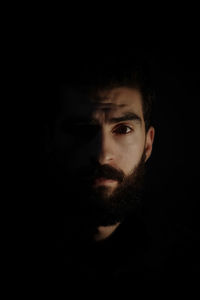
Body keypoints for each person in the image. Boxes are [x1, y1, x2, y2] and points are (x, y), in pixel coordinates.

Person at [40, 53, 199, 285]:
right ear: (49, 140)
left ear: (148, 144)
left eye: (123, 129)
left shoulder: (184, 263)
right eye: (80, 129)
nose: (103, 154)